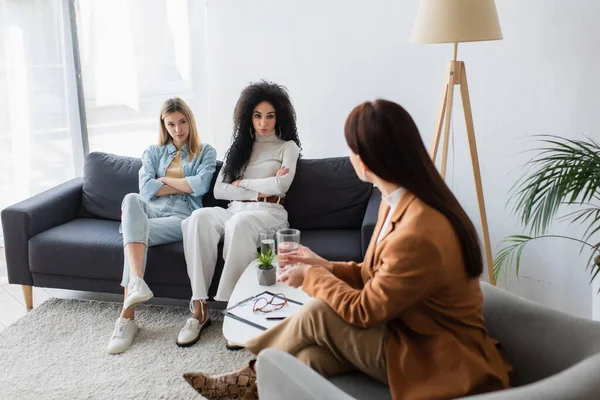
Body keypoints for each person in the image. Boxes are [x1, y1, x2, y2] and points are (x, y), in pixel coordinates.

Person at [182, 99, 512, 400]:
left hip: (436, 353)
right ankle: (252, 383)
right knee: (308, 359)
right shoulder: (396, 200)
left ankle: (246, 372)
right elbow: (376, 276)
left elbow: (364, 311)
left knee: (319, 314)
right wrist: (324, 264)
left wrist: (312, 275)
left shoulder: (420, 230)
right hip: (408, 328)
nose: (350, 156)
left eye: (352, 149)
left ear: (368, 160)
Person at [175, 80, 301, 347]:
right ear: (248, 117)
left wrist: (242, 184)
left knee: (241, 223)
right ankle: (199, 308)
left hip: (270, 211)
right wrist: (260, 186)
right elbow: (220, 191)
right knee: (198, 218)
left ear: (279, 116)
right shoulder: (238, 149)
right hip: (233, 210)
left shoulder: (287, 148)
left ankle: (237, 310)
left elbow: (281, 186)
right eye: (257, 116)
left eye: (269, 116)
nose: (263, 123)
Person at [106, 98, 217, 354]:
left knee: (135, 237)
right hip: (151, 212)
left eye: (182, 122)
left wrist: (163, 180)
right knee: (130, 199)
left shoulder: (206, 151)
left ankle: (126, 318)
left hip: (182, 216)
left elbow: (200, 185)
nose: (178, 129)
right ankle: (136, 282)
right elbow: (145, 190)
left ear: (190, 121)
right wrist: (180, 183)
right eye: (171, 124)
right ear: (164, 126)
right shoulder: (153, 152)